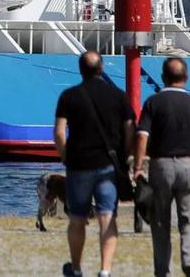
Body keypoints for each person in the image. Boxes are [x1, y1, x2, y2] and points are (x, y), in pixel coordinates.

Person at [53, 51, 134, 277]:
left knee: (77, 217)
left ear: (80, 69)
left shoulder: (69, 96)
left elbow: (59, 133)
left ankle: (76, 268)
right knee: (107, 215)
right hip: (108, 164)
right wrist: (124, 156)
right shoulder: (118, 96)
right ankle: (105, 270)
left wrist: (65, 156)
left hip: (78, 163)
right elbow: (130, 130)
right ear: (102, 68)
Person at [133, 57, 190, 277]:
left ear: (162, 77)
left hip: (161, 165)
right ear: (186, 77)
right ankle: (189, 259)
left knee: (160, 221)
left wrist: (138, 166)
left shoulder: (153, 102)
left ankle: (162, 270)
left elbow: (142, 136)